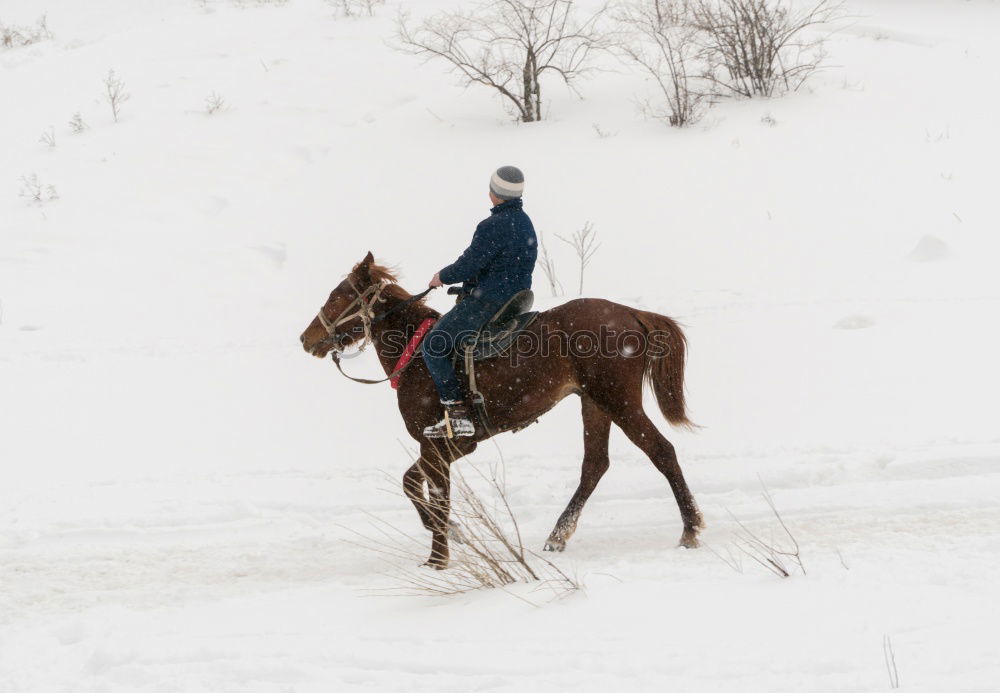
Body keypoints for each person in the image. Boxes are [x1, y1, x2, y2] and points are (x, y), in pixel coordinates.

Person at [421, 166, 538, 439]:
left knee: (433, 345)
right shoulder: (524, 221)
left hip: (489, 301)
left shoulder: (492, 225)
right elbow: (500, 264)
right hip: (514, 298)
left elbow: (470, 262)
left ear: (494, 194)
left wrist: (443, 277)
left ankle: (457, 415)